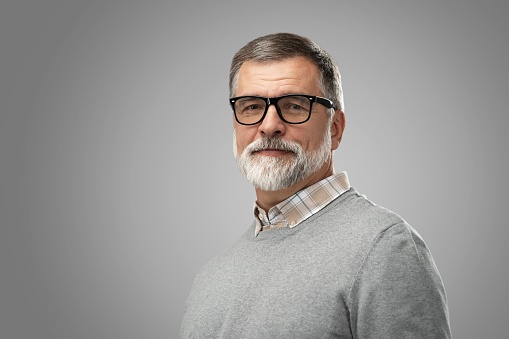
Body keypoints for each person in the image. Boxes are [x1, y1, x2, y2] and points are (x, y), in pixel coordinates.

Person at [180, 32, 451, 338]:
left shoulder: (384, 247)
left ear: (335, 129)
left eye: (295, 105)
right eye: (252, 107)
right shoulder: (210, 278)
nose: (269, 125)